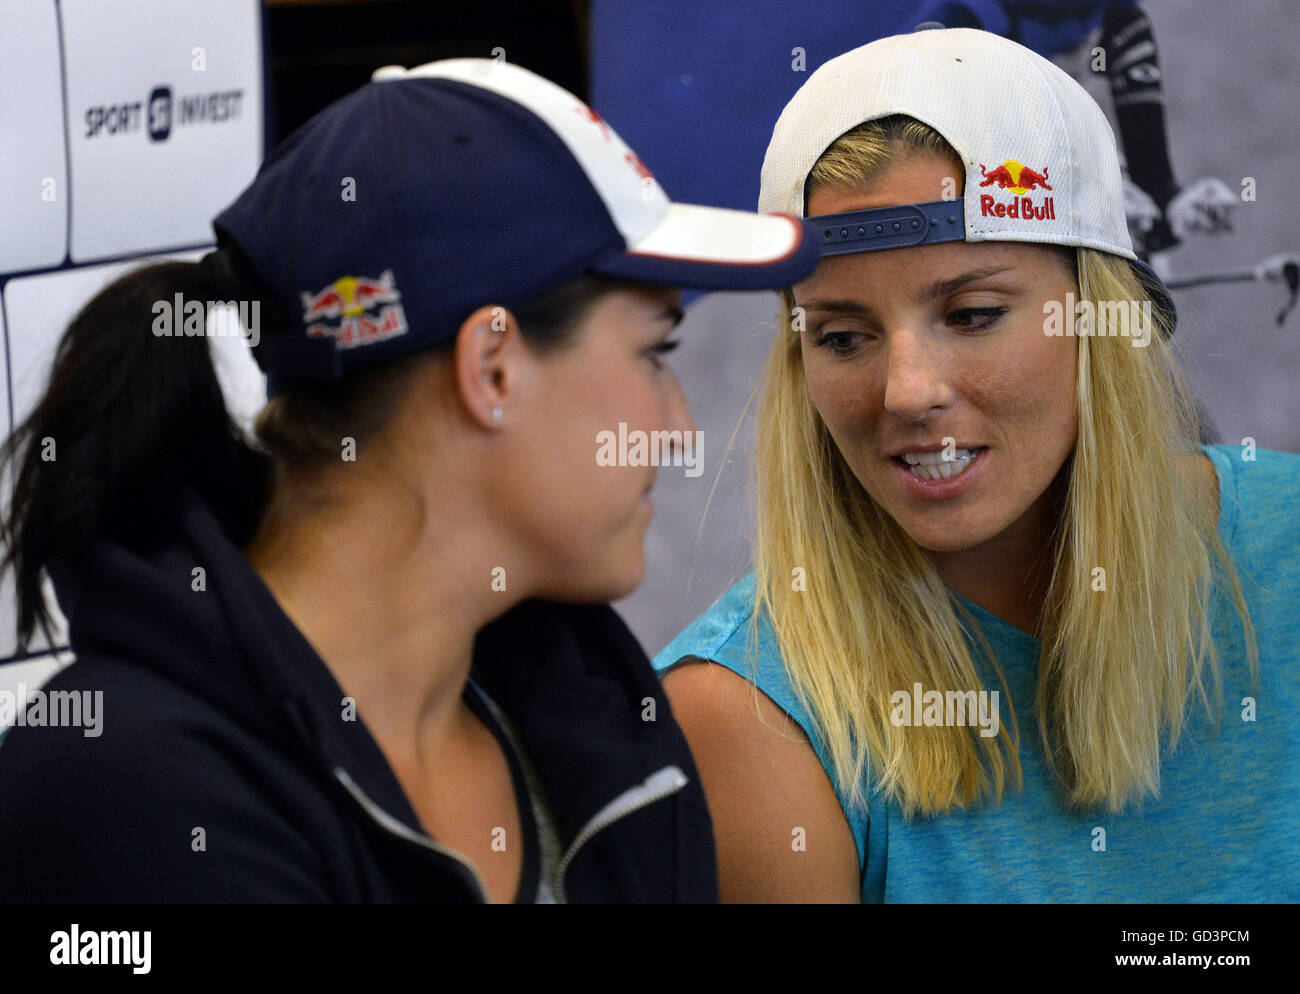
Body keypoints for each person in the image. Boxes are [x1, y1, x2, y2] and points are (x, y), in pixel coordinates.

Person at [0, 58, 819, 902]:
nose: (680, 430)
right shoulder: (127, 794)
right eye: (655, 352)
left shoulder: (605, 727)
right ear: (493, 368)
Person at [654, 28, 1300, 902]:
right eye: (843, 336)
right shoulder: (743, 718)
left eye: (972, 314)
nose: (907, 392)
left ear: (1098, 315)